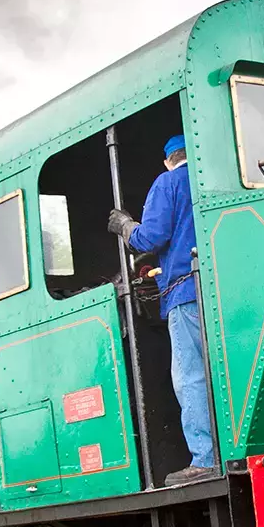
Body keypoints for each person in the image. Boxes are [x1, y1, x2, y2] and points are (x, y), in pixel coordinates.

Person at [107, 135, 217, 487]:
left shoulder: (168, 182)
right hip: (226, 289)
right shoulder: (212, 177)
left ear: (169, 160)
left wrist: (126, 227)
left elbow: (150, 239)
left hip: (185, 291)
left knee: (191, 376)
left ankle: (206, 459)